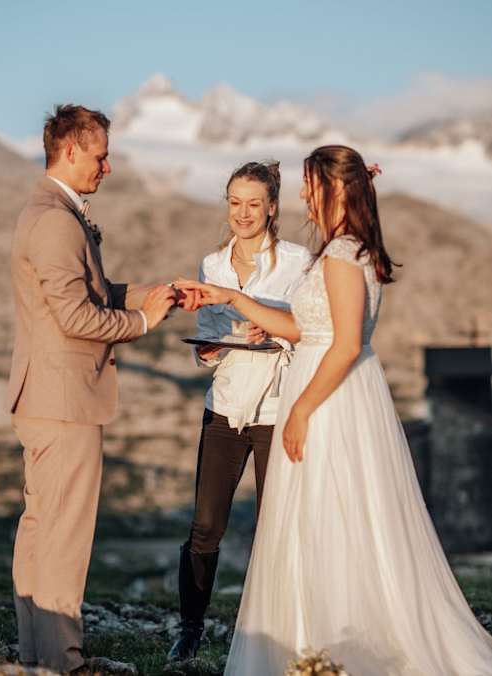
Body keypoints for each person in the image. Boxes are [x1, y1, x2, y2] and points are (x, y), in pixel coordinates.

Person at [177, 145, 492, 674]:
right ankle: (309, 633)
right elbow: (303, 328)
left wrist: (298, 411)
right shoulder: (336, 251)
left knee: (334, 517)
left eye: (308, 184)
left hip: (327, 397)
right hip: (301, 391)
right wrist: (228, 299)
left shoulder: (345, 254)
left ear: (332, 188)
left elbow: (344, 344)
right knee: (315, 519)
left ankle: (341, 636)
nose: (303, 194)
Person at [5, 104, 193, 675]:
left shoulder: (49, 211)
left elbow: (91, 288)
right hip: (64, 401)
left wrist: (146, 294)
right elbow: (75, 317)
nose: (107, 167)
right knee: (64, 535)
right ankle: (64, 660)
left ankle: (38, 655)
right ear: (70, 151)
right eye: (101, 155)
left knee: (40, 528)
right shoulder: (58, 220)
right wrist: (144, 324)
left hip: (43, 398)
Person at [167, 161, 312, 662]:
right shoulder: (212, 265)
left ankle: (282, 633)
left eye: (254, 203)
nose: (243, 213)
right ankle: (189, 629)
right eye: (234, 202)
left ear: (272, 206)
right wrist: (219, 342)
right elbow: (205, 344)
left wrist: (270, 329)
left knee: (279, 525)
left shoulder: (299, 261)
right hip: (224, 409)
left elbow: (311, 328)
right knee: (206, 526)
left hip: (278, 408)